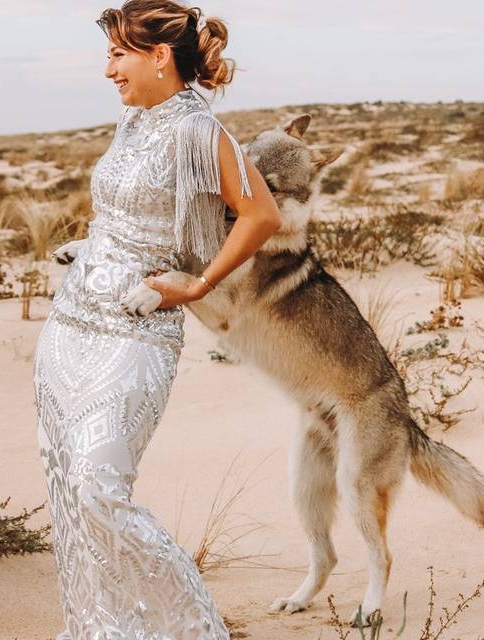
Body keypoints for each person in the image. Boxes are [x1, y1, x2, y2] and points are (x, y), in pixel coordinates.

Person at [33, 1, 284, 637]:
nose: (109, 71)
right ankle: (101, 628)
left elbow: (261, 217)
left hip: (135, 334)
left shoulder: (200, 131)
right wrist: (91, 248)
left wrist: (198, 284)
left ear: (159, 56)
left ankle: (189, 631)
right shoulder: (131, 123)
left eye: (117, 55)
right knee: (69, 494)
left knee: (98, 490)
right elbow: (123, 216)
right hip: (69, 327)